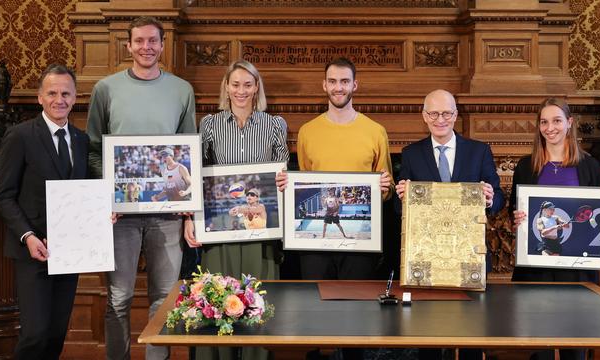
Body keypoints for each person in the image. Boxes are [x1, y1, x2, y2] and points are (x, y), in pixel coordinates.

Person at [86, 16, 196, 360]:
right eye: (139, 41)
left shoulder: (182, 90)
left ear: (162, 45)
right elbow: (93, 150)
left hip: (166, 216)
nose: (146, 47)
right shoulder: (106, 89)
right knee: (118, 299)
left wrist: (188, 207)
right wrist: (110, 192)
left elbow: (188, 152)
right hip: (121, 217)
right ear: (128, 45)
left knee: (164, 299)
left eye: (152, 41)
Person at [182, 59, 289, 360]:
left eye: (248, 84)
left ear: (257, 88)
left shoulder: (275, 125)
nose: (241, 91)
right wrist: (190, 216)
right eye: (235, 84)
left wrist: (284, 179)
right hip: (220, 226)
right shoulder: (209, 124)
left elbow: (283, 174)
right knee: (219, 299)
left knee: (258, 301)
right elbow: (197, 175)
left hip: (261, 228)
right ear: (226, 88)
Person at [395, 89, 504, 360]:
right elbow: (399, 209)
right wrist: (401, 198)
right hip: (426, 259)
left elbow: (500, 198)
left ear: (455, 115)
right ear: (424, 116)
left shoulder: (479, 151)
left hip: (469, 259)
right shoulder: (411, 154)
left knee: (471, 335)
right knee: (426, 337)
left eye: (446, 113)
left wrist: (489, 198)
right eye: (433, 113)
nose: (439, 119)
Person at [0, 64, 89, 360]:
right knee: (34, 334)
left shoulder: (81, 140)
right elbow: (5, 196)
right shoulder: (20, 136)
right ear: (39, 97)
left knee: (55, 334)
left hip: (69, 253)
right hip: (32, 251)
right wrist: (28, 236)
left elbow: (83, 195)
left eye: (65, 93)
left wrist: (101, 214)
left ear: (75, 97)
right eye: (52, 93)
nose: (59, 99)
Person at [277, 56, 394, 280]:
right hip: (317, 250)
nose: (338, 87)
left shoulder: (375, 131)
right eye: (332, 81)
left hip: (362, 240)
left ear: (354, 85)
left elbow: (385, 191)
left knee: (357, 306)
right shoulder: (307, 132)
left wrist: (384, 186)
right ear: (324, 85)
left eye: (344, 81)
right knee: (315, 302)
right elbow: (306, 179)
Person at [510, 97, 600, 360]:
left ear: (569, 123)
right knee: (539, 344)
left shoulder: (589, 166)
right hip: (537, 268)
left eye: (556, 120)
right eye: (543, 121)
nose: (549, 127)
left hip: (576, 271)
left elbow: (598, 215)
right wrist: (517, 217)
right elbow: (514, 213)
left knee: (575, 345)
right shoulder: (525, 166)